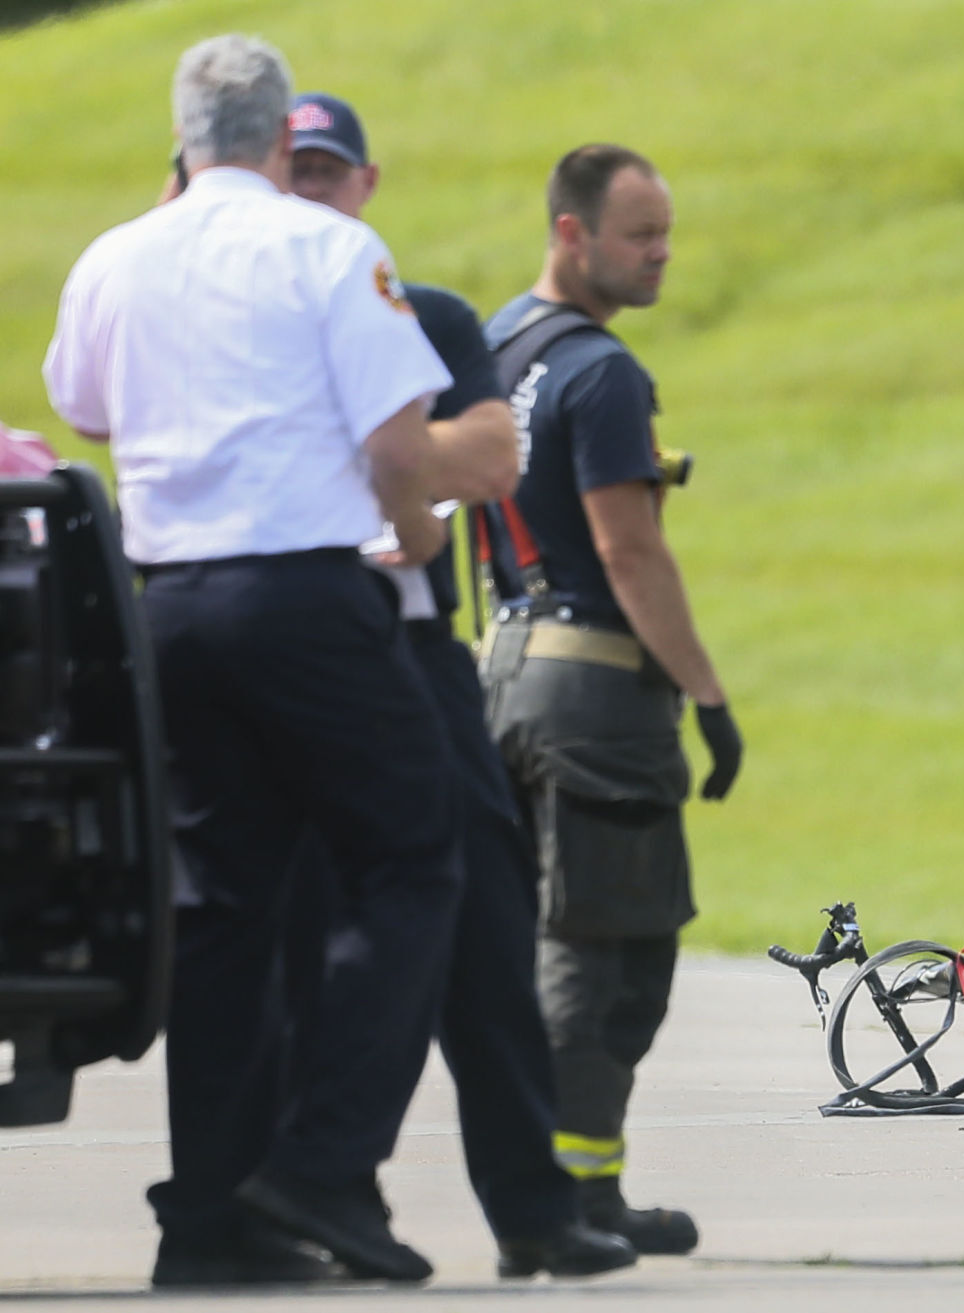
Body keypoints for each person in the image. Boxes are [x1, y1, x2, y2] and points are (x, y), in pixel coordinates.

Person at [43, 34, 463, 1287]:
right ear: (287, 141)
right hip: (301, 591)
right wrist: (423, 535)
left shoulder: (117, 255)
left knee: (222, 906)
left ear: (182, 142)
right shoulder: (330, 246)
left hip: (166, 605)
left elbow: (86, 408)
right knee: (412, 851)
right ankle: (326, 1161)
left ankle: (213, 1215)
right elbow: (398, 446)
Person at [284, 91, 635, 1281]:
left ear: (367, 186)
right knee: (344, 922)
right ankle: (331, 1185)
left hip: (415, 649)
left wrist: (372, 458)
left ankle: (534, 1204)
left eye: (331, 172)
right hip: (310, 648)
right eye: (293, 170)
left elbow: (492, 459)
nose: (312, 191)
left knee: (488, 917)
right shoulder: (257, 330)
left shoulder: (421, 315)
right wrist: (395, 464)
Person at [478, 144, 743, 1255]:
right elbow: (630, 551)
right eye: (640, 234)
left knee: (543, 937)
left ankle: (574, 1182)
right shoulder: (603, 374)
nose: (662, 253)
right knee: (609, 949)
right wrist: (708, 694)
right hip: (596, 692)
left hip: (504, 665)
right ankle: (569, 1195)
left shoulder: (498, 346)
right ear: (570, 233)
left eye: (666, 231)